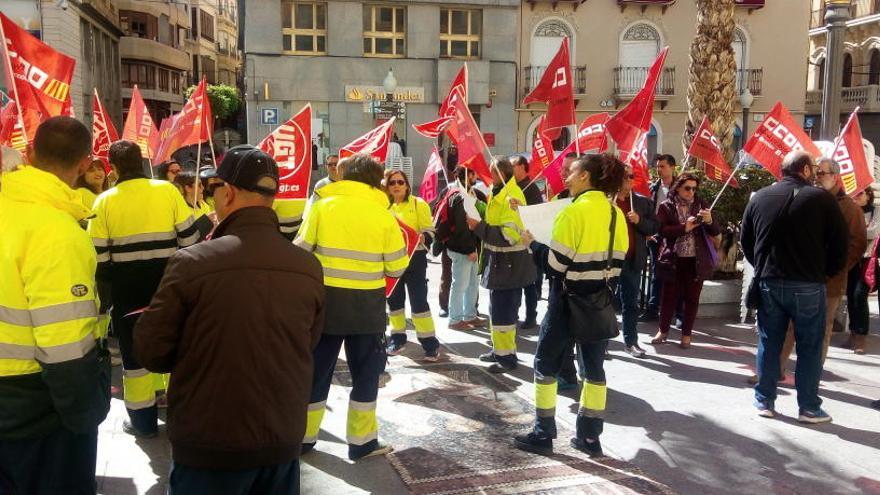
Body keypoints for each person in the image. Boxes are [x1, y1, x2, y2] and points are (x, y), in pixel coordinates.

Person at [134, 145, 324, 495]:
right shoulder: (307, 266)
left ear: (229, 192)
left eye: (212, 189)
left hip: (210, 445)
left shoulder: (192, 263)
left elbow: (151, 350)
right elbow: (306, 341)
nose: (211, 196)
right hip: (281, 439)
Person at [0, 116, 110, 494]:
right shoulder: (58, 232)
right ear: (84, 163)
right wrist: (85, 415)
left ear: (29, 153)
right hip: (35, 408)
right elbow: (65, 345)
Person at [512, 154, 628, 457]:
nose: (567, 178)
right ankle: (590, 437)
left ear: (586, 177)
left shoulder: (573, 213)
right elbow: (618, 262)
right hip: (600, 299)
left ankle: (543, 432)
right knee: (594, 369)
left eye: (572, 172)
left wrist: (532, 244)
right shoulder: (616, 214)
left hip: (566, 299)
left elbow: (554, 265)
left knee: (545, 364)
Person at [294, 153, 408, 460]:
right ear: (376, 181)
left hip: (324, 306)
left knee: (316, 372)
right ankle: (362, 442)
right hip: (367, 309)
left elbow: (300, 252)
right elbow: (397, 268)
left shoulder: (322, 206)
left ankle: (303, 438)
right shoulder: (384, 215)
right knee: (366, 375)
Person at [88, 140, 203, 438]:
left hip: (127, 289)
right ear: (141, 162)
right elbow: (190, 240)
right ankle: (179, 413)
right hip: (170, 285)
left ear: (113, 168)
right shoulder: (167, 191)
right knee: (176, 345)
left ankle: (142, 422)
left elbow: (97, 256)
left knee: (134, 354)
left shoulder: (104, 201)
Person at [741, 151, 848, 423]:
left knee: (769, 341)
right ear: (805, 170)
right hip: (808, 284)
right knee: (810, 347)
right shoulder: (822, 199)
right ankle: (809, 407)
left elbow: (747, 241)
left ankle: (764, 400)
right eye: (812, 167)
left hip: (770, 281)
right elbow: (840, 245)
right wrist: (824, 273)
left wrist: (764, 266)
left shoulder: (761, 197)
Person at [778, 157, 866, 366]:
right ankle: (774, 370)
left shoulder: (850, 208)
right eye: (816, 172)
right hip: (799, 276)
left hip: (829, 281)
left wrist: (834, 268)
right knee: (788, 325)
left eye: (822, 173)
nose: (816, 177)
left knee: (820, 330)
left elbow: (857, 245)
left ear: (835, 177)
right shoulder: (806, 199)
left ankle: (811, 376)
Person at [466, 156, 536, 373]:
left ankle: (507, 359)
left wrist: (479, 227)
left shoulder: (511, 196)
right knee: (496, 310)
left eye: (492, 172)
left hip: (509, 264)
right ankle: (500, 351)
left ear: (502, 174)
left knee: (504, 313)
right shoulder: (498, 193)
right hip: (499, 263)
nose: (489, 175)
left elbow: (508, 235)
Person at [651, 172, 721, 349]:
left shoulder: (701, 205)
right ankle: (663, 330)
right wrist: (684, 227)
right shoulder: (666, 206)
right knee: (668, 297)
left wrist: (709, 220)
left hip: (696, 260)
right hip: (673, 259)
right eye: (687, 188)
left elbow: (715, 231)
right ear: (678, 188)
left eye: (694, 189)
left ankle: (687, 335)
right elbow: (662, 231)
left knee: (692, 298)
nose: (691, 192)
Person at [384, 169, 440, 360]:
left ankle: (430, 344)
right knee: (394, 303)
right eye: (392, 183)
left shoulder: (419, 204)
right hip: (392, 261)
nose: (397, 186)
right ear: (387, 186)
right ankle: (397, 338)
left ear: (407, 185)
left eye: (400, 182)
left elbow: (430, 231)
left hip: (415, 259)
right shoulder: (384, 207)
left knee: (419, 303)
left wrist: (424, 237)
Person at [615, 164, 659, 357]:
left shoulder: (642, 202)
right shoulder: (607, 201)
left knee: (630, 304)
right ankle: (600, 344)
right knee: (603, 304)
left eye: (631, 177)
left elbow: (654, 227)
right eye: (625, 176)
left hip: (632, 261)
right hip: (610, 261)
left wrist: (639, 221)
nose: (629, 180)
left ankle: (631, 341)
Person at [443, 167, 487, 331]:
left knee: (472, 284)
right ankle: (455, 319)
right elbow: (462, 226)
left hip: (469, 248)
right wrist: (469, 250)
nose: (477, 176)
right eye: (474, 173)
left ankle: (470, 315)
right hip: (463, 249)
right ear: (469, 175)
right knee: (460, 284)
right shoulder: (460, 195)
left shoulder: (467, 193)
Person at [641, 154, 677, 321]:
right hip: (656, 237)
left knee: (676, 274)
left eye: (663, 166)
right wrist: (648, 232)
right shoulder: (653, 188)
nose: (659, 170)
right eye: (658, 167)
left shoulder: (681, 188)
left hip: (675, 237)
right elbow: (649, 212)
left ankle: (677, 312)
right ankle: (653, 308)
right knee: (656, 273)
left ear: (672, 167)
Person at [513, 155, 544, 330]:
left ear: (523, 167)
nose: (511, 168)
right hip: (516, 240)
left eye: (514, 165)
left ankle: (531, 316)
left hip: (529, 241)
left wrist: (521, 208)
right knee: (517, 280)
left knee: (529, 282)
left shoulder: (530, 188)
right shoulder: (513, 186)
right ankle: (514, 313)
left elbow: (535, 213)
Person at [845, 187, 877, 354]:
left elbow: (873, 232)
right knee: (850, 295)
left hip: (866, 261)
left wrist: (856, 231)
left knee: (859, 295)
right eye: (854, 194)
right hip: (851, 259)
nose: (856, 196)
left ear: (868, 195)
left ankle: (861, 336)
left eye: (860, 193)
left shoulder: (875, 212)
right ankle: (852, 332)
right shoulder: (851, 211)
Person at [173, 171, 217, 235]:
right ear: (188, 188)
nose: (203, 188)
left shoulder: (203, 204)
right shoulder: (180, 211)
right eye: (199, 185)